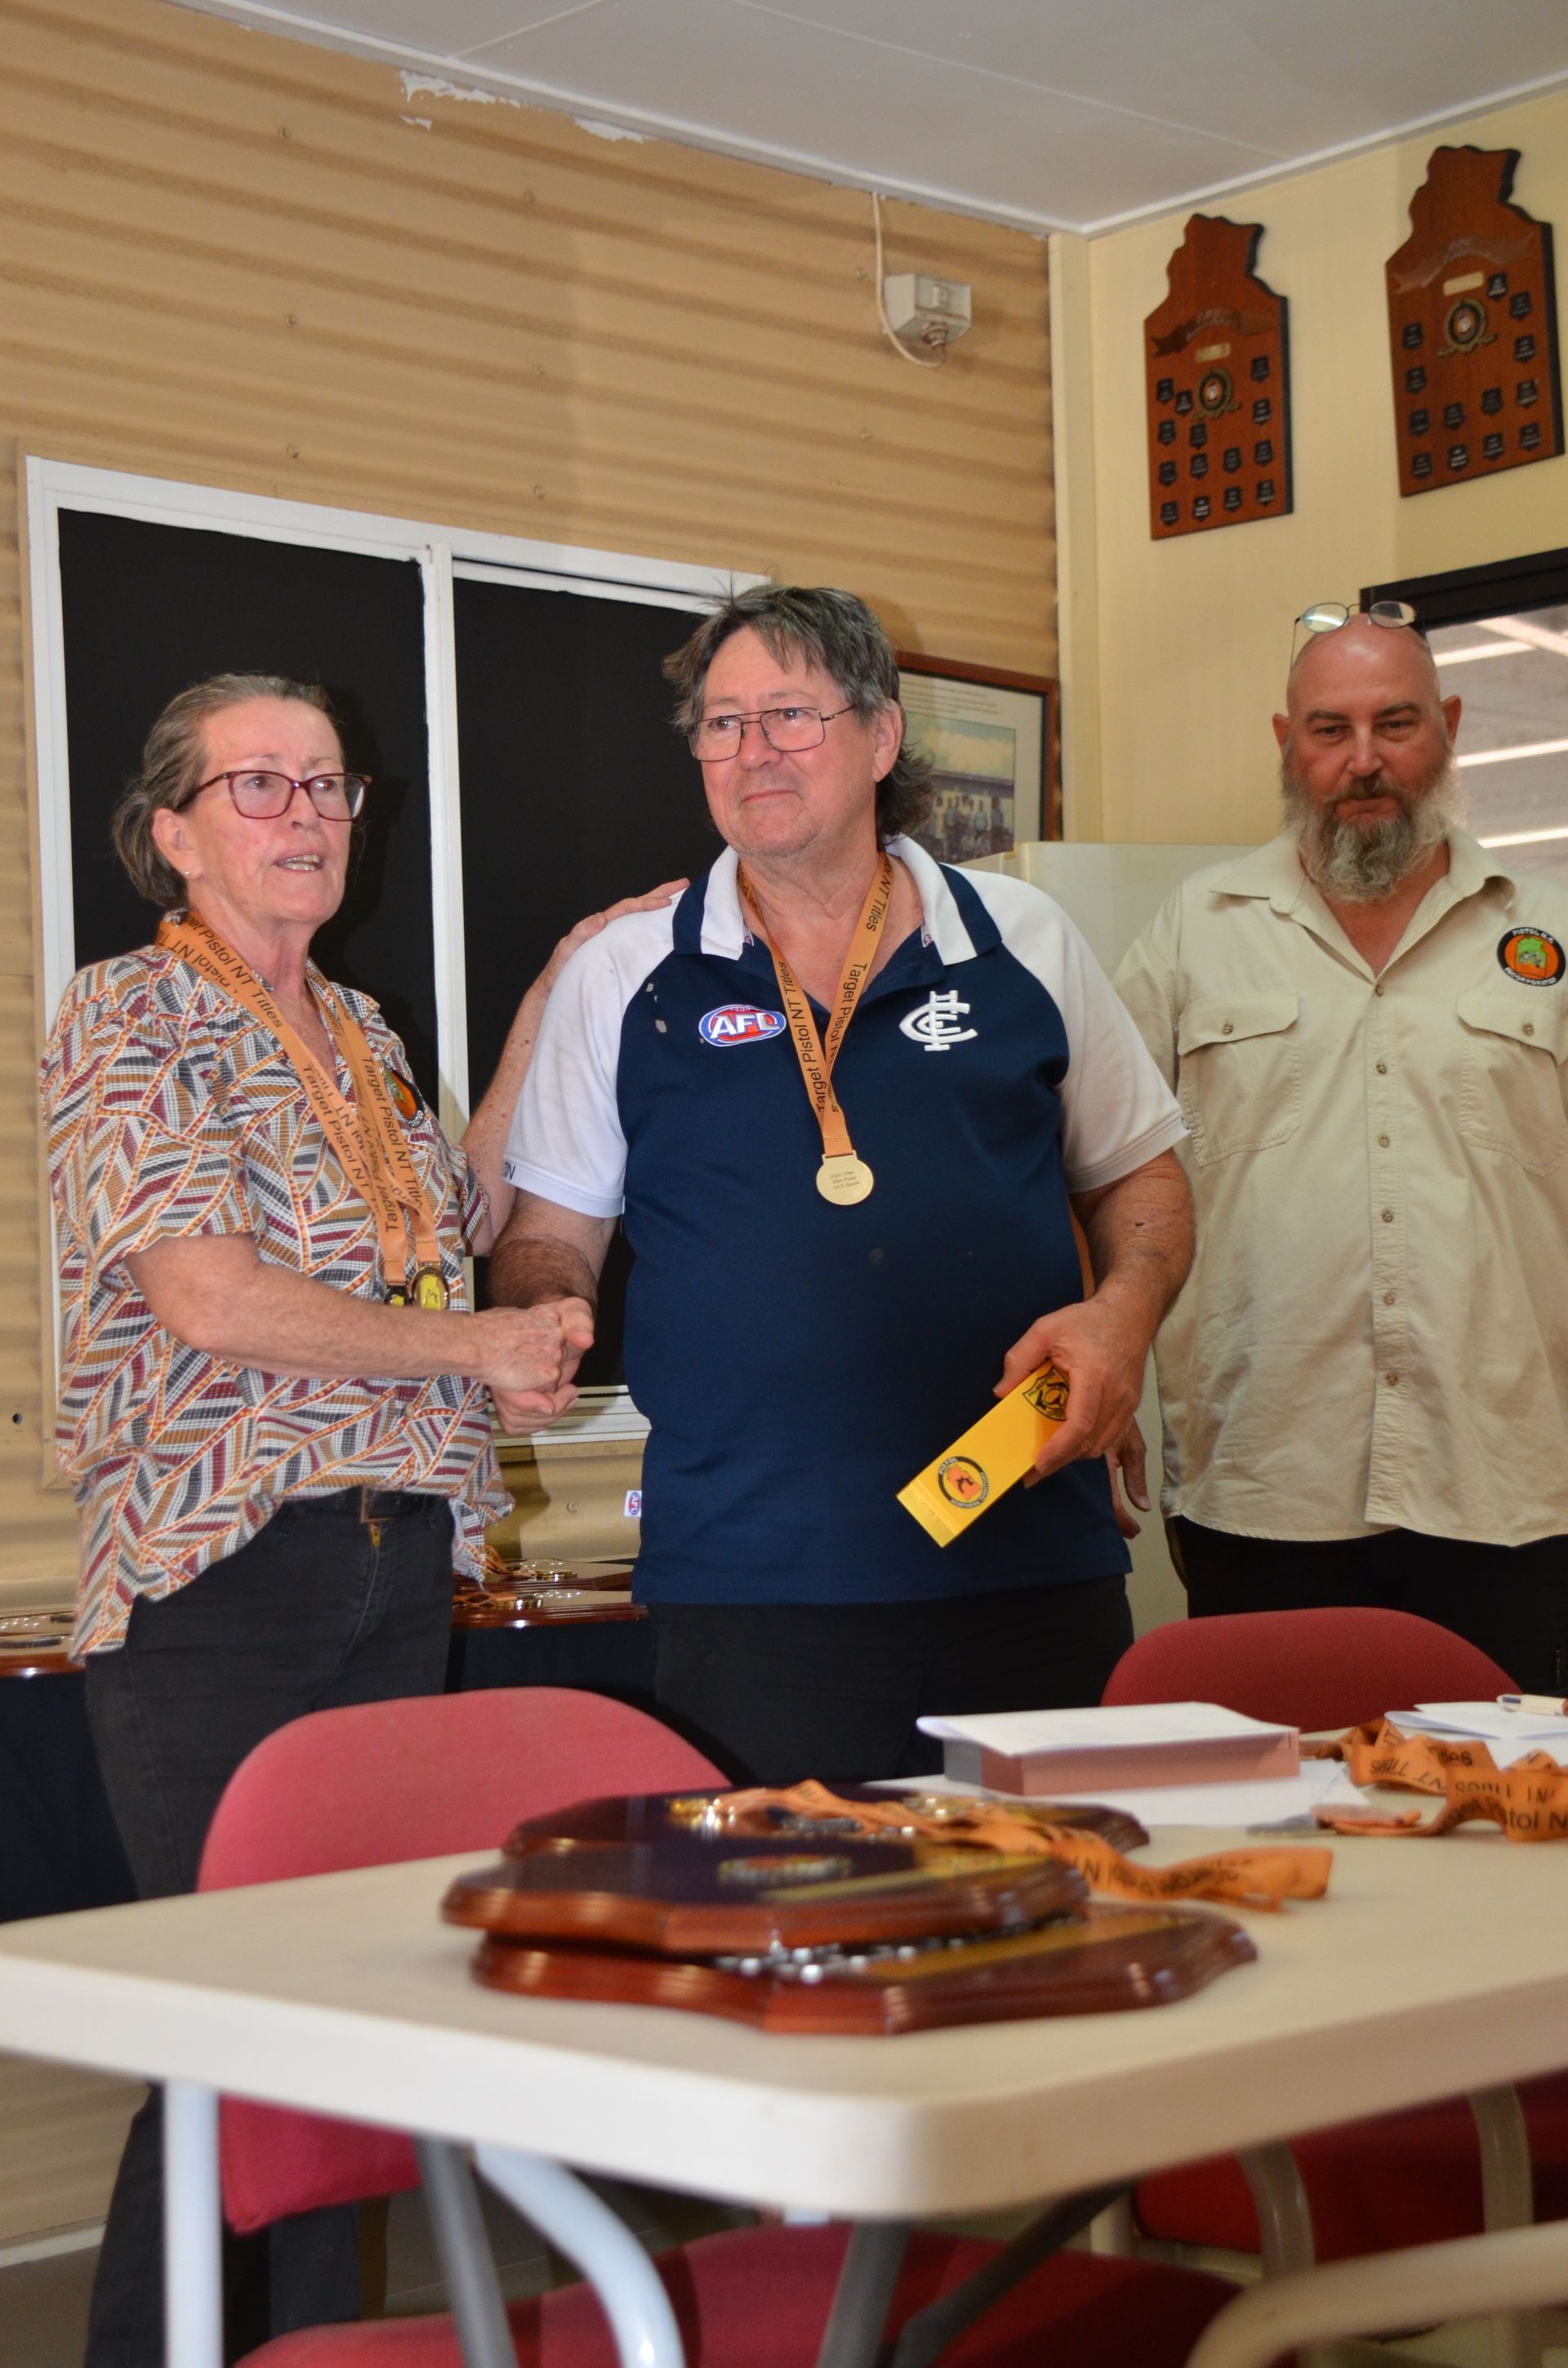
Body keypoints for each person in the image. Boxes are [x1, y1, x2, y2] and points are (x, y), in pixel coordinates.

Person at [40, 671, 675, 2366]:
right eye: (260, 786)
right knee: (235, 2039)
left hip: (398, 1560)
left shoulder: (366, 1029)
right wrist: (476, 1344)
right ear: (168, 832)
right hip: (224, 1575)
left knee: (348, 2032)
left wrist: (555, 986)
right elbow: (212, 1297)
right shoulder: (126, 1016)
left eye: (328, 785)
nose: (309, 813)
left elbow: (446, 1216)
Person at [488, 586, 1192, 1786]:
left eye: (789, 715)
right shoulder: (625, 971)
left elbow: (1146, 1184)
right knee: (797, 1935)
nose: (751, 749)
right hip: (756, 1582)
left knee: (1063, 1920)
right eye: (721, 723)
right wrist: (546, 1306)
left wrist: (1123, 1319)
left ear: (880, 737)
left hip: (1021, 1544)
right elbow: (551, 1233)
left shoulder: (1022, 936)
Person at [1115, 604, 1568, 1691]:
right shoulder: (1195, 930)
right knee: (1273, 1809)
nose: (1364, 761)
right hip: (1266, 1480)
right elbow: (1102, 1173)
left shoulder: (1548, 932)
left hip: (1504, 1482)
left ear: (1449, 726)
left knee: (1511, 1830)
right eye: (1330, 730)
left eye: (1396, 723)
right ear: (1287, 742)